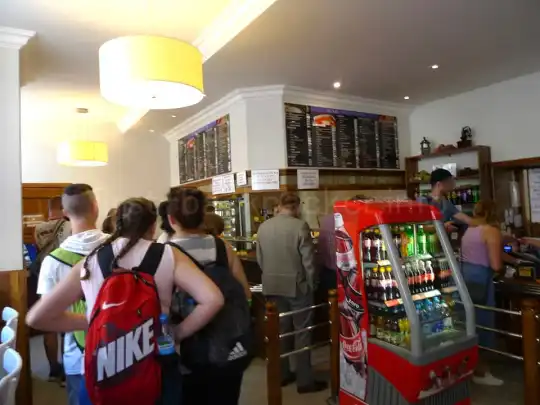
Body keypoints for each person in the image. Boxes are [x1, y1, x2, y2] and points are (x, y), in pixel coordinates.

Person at [26, 197, 225, 403]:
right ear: (153, 226)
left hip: (103, 367)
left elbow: (37, 318)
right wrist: (178, 333)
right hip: (156, 363)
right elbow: (213, 299)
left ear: (117, 223)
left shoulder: (92, 259)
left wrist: (94, 320)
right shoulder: (167, 254)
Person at [166, 187, 251, 405]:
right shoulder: (222, 247)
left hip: (186, 348)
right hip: (227, 344)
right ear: (203, 216)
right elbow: (245, 293)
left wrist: (177, 333)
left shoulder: (166, 253)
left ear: (171, 219)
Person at [37, 184, 109, 405]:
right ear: (96, 207)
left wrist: (87, 321)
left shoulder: (52, 261)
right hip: (123, 348)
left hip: (77, 355)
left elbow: (48, 317)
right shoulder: (121, 248)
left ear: (66, 213)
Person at [256, 192, 327, 393]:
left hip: (272, 286)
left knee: (280, 332)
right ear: (296, 207)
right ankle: (305, 381)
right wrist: (312, 284)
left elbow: (260, 259)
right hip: (297, 287)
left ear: (279, 206)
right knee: (302, 333)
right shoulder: (300, 226)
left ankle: (282, 374)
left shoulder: (263, 227)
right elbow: (308, 261)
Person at [460, 200, 503, 386]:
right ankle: (482, 372)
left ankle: (468, 368)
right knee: (484, 324)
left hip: (465, 278)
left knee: (470, 322)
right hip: (481, 280)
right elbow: (496, 265)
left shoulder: (469, 231)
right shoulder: (491, 231)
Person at [33, 195, 72, 384]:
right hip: (63, 276)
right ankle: (65, 373)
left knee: (49, 326)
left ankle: (53, 370)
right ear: (63, 207)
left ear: (49, 209)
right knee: (65, 325)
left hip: (44, 276)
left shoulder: (38, 228)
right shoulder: (68, 226)